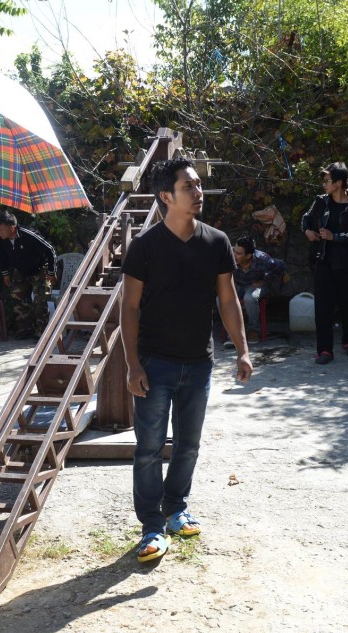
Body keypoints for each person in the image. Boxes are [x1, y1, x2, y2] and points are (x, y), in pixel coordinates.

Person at [120, 157, 253, 563]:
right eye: (189, 187)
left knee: (189, 445)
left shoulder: (216, 241)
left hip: (199, 362)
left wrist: (243, 349)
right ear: (166, 197)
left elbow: (227, 299)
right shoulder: (144, 248)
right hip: (154, 363)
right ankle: (151, 528)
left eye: (198, 186)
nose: (198, 193)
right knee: (148, 447)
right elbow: (129, 309)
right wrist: (133, 364)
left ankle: (176, 507)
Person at [301, 162, 348, 365]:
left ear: (339, 182)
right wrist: (308, 232)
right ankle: (325, 350)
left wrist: (334, 237)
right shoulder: (321, 201)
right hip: (324, 261)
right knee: (323, 307)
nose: (324, 184)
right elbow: (305, 218)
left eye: (327, 180)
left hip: (347, 263)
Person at [0, 210, 57, 339]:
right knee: (17, 296)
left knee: (40, 300)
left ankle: (42, 332)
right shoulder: (1, 239)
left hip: (39, 269)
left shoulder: (28, 235)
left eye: (1, 229)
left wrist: (51, 272)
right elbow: (2, 257)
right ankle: (25, 329)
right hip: (20, 270)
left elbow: (50, 250)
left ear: (12, 227)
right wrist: (5, 275)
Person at [229, 235, 285, 344]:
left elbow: (281, 266)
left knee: (249, 298)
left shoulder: (263, 259)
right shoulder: (228, 255)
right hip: (237, 285)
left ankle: (253, 330)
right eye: (234, 251)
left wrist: (265, 280)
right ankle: (232, 332)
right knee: (220, 299)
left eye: (238, 253)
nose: (234, 255)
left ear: (248, 255)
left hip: (255, 286)